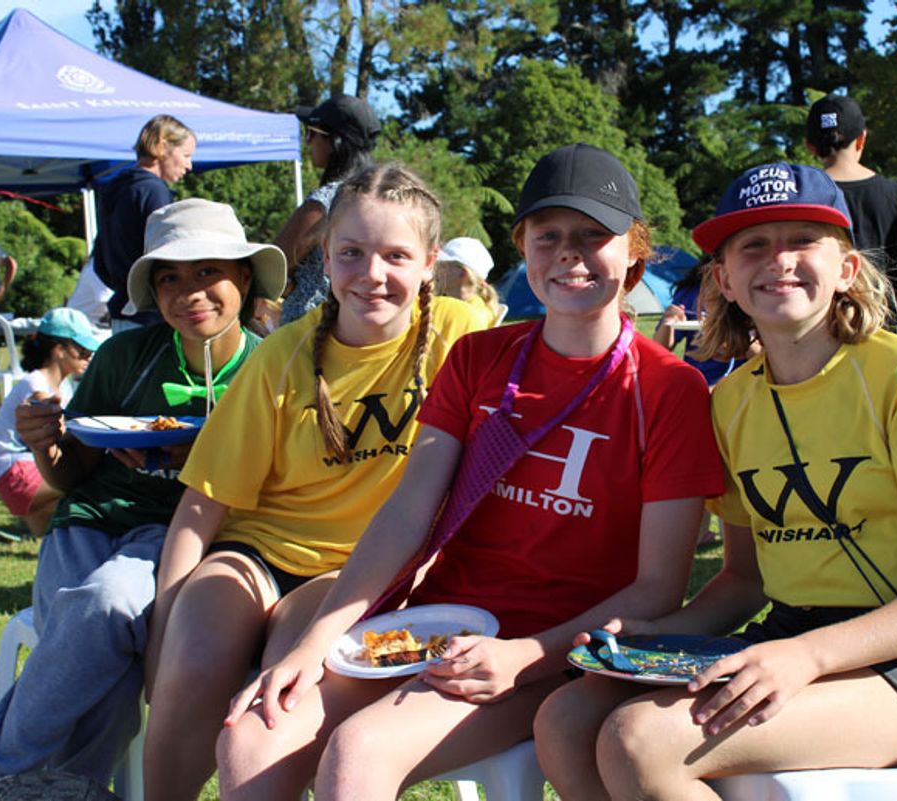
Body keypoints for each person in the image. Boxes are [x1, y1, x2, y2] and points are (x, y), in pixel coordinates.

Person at [215, 143, 725, 801]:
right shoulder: (479, 358)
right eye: (548, 236)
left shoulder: (667, 388)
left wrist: (528, 654)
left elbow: (658, 589)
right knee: (254, 734)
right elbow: (408, 512)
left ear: (634, 252)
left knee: (358, 753)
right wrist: (313, 643)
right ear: (523, 247)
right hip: (438, 626)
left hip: (562, 649)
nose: (568, 254)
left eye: (592, 235)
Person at [533, 162, 897, 801]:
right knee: (565, 720)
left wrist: (810, 655)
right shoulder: (730, 404)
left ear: (847, 268)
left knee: (639, 739)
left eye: (802, 240)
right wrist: (657, 632)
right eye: (753, 244)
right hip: (785, 637)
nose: (779, 259)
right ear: (724, 280)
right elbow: (743, 580)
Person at [140, 164, 490, 801]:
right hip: (256, 551)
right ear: (325, 258)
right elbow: (201, 506)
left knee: (282, 692)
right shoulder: (282, 355)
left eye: (395, 255)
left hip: (356, 569)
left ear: (429, 263)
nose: (371, 273)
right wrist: (163, 628)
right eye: (351, 252)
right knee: (189, 666)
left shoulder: (461, 336)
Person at [0, 198, 284, 801]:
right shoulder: (125, 357)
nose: (189, 292)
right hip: (87, 522)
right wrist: (46, 444)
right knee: (106, 643)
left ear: (244, 276)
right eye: (169, 278)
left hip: (179, 533)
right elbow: (73, 476)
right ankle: (64, 788)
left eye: (208, 271)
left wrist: (204, 458)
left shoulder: (271, 368)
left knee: (105, 606)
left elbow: (281, 487)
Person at [805, 94, 897, 324]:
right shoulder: (891, 194)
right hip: (876, 328)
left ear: (810, 146)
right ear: (861, 139)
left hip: (816, 330)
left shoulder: (803, 196)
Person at [0, 308, 99, 537]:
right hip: (17, 475)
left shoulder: (62, 385)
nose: (88, 357)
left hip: (24, 469)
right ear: (59, 350)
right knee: (91, 476)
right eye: (83, 350)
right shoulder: (36, 386)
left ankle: (38, 522)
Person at [277, 94, 380, 325]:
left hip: (308, 329)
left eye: (311, 133)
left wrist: (289, 287)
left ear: (335, 142)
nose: (308, 142)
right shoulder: (380, 198)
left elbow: (273, 265)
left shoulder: (325, 202)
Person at [94, 114, 196, 333]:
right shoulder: (153, 191)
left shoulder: (112, 189)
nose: (189, 165)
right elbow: (167, 254)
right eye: (186, 155)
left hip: (122, 312)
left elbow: (100, 262)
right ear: (162, 147)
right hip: (151, 317)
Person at [653, 258, 758, 386]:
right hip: (698, 384)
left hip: (743, 387)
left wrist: (739, 340)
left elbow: (767, 361)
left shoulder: (752, 294)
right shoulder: (690, 292)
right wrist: (668, 323)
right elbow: (659, 350)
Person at [433, 236, 503, 325]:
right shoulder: (478, 307)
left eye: (442, 265)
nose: (435, 269)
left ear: (463, 273)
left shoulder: (467, 315)